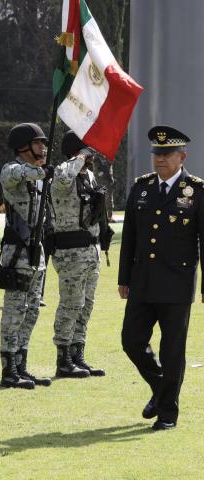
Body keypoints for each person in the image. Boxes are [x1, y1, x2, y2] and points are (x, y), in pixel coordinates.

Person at [118, 125, 203, 431]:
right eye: (156, 154)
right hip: (142, 281)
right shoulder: (141, 188)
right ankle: (161, 387)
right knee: (131, 341)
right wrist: (123, 277)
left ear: (182, 156)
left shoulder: (196, 191)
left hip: (177, 285)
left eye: (166, 154)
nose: (160, 160)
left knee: (172, 351)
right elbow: (130, 237)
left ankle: (168, 412)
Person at [0, 123, 53, 389]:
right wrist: (42, 171)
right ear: (23, 146)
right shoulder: (12, 170)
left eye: (44, 143)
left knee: (31, 311)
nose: (43, 147)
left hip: (36, 249)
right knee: (15, 310)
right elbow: (20, 174)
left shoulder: (39, 175)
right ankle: (9, 370)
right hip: (18, 249)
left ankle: (21, 366)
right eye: (38, 143)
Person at [50, 131, 106, 379]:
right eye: (89, 150)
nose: (93, 154)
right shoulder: (64, 172)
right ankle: (63, 359)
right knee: (71, 304)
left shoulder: (89, 176)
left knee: (87, 305)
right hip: (70, 250)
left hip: (90, 249)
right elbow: (62, 178)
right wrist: (81, 156)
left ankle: (77, 354)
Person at [93, 155, 115, 221]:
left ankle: (109, 217)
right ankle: (101, 217)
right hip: (101, 182)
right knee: (100, 199)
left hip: (108, 182)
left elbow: (111, 163)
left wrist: (109, 161)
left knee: (109, 200)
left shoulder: (108, 155)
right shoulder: (96, 157)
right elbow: (98, 172)